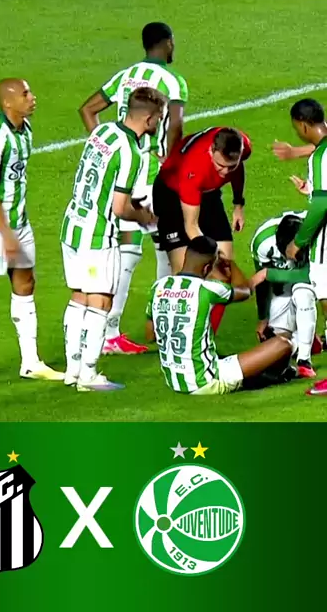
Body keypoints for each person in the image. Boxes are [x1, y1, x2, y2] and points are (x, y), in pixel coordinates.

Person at [79, 22, 188, 355]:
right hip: (153, 174)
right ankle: (160, 323)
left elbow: (88, 109)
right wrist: (171, 163)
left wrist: (105, 144)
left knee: (129, 249)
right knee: (168, 246)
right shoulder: (172, 80)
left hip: (126, 169)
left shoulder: (126, 75)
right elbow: (176, 126)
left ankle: (110, 330)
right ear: (167, 43)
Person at [61, 87, 164, 391]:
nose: (160, 123)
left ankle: (72, 370)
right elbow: (120, 208)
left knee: (79, 297)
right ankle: (88, 375)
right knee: (100, 300)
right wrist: (144, 216)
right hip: (97, 234)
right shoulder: (130, 153)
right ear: (148, 118)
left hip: (72, 224)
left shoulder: (102, 132)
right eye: (159, 117)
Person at [0, 78, 63, 386]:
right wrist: (5, 234)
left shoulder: (25, 130)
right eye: (25, 94)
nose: (32, 98)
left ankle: (31, 362)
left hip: (18, 221)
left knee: (25, 282)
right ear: (8, 102)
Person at [145, 236, 293, 395]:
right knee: (283, 344)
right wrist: (229, 263)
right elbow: (245, 291)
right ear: (207, 268)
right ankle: (268, 378)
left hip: (174, 381)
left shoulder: (159, 286)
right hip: (207, 380)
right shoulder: (207, 289)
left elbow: (150, 335)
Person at [153, 126, 251, 333]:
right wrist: (213, 256)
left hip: (208, 194)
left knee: (224, 275)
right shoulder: (194, 167)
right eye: (220, 165)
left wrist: (238, 204)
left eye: (230, 166)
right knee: (186, 276)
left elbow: (239, 168)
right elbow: (191, 226)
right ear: (211, 150)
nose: (224, 172)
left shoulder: (242, 146)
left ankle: (206, 338)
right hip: (172, 194)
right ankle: (176, 335)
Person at [277, 99, 327, 394]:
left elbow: (322, 206)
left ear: (303, 125)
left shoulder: (320, 156)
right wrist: (311, 189)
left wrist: (298, 242)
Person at [250, 211, 318, 378]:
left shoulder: (316, 236)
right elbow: (262, 283)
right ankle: (302, 341)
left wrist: (270, 274)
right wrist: (263, 318)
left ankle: (304, 360)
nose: (297, 254)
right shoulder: (263, 243)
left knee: (302, 294)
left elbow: (313, 274)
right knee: (278, 341)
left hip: (315, 277)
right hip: (286, 279)